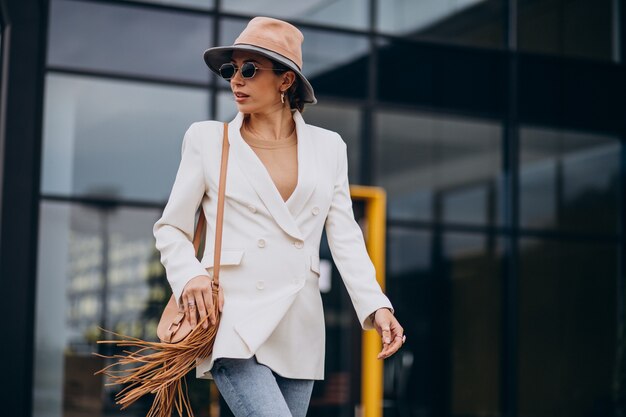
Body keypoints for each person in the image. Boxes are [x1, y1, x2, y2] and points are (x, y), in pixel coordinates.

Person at [153, 16, 405, 417]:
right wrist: (190, 276)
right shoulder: (207, 140)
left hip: (298, 322)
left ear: (286, 81)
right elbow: (171, 228)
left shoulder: (329, 148)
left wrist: (376, 305)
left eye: (250, 69)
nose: (237, 80)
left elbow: (344, 237)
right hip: (233, 319)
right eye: (230, 69)